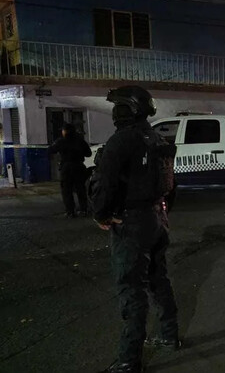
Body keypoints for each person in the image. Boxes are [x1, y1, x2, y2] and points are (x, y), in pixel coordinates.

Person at [90, 86, 179, 373]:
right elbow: (168, 181)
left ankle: (129, 359)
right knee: (158, 278)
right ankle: (169, 336)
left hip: (133, 221)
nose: (116, 111)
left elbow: (106, 184)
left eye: (119, 106)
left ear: (129, 108)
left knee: (131, 288)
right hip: (157, 217)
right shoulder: (154, 137)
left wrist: (101, 214)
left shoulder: (122, 141)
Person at [48, 123, 91, 217]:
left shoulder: (61, 141)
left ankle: (70, 211)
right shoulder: (80, 141)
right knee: (81, 189)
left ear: (65, 131)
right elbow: (89, 153)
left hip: (66, 168)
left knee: (67, 190)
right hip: (79, 166)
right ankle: (84, 209)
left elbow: (51, 150)